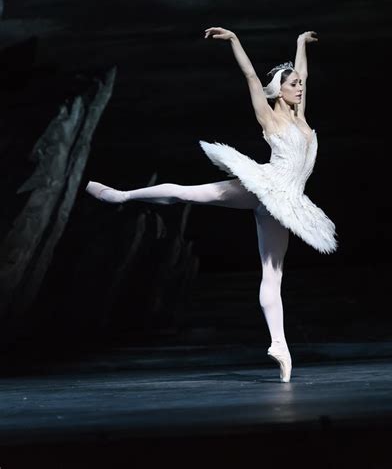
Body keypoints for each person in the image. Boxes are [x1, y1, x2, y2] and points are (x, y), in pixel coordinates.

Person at [86, 27, 337, 382]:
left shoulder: (301, 118)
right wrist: (234, 40)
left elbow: (304, 74)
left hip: (287, 203)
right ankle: (122, 196)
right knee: (190, 192)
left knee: (273, 275)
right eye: (293, 84)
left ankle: (279, 346)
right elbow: (250, 75)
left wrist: (299, 43)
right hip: (265, 185)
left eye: (299, 84)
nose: (299, 87)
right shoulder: (270, 116)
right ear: (279, 90)